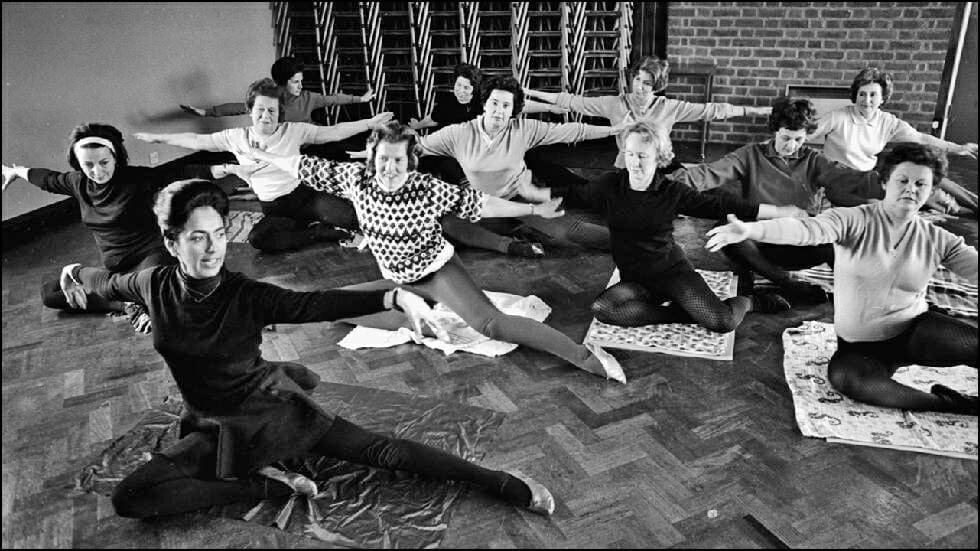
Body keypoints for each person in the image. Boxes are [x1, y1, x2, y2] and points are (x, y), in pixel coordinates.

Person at [64, 178, 557, 518]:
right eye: (198, 238)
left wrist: (391, 296)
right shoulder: (152, 283)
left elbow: (312, 303)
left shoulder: (246, 294)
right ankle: (265, 485)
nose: (213, 249)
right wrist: (73, 275)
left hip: (270, 409)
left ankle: (498, 481)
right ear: (172, 244)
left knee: (378, 450)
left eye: (218, 234)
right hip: (211, 423)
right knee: (130, 499)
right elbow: (106, 282)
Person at [250, 121, 627, 383]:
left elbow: (481, 204)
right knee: (334, 307)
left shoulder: (427, 189)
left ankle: (587, 358)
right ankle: (417, 319)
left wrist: (530, 208)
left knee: (490, 325)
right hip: (400, 283)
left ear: (410, 161)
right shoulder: (354, 179)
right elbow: (301, 165)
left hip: (439, 273)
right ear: (372, 158)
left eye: (399, 160)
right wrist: (260, 155)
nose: (390, 168)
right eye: (383, 159)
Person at [706, 143, 978, 415]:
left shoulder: (939, 239)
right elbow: (807, 229)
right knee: (847, 379)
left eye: (921, 184)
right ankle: (954, 404)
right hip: (861, 346)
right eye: (902, 180)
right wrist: (753, 230)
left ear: (932, 190)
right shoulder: (853, 220)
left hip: (915, 330)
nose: (911, 189)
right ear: (885, 182)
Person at [587, 122, 807, 332]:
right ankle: (680, 314)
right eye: (630, 154)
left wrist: (775, 211)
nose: (635, 163)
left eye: (642, 156)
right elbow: (577, 192)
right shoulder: (610, 185)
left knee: (723, 321)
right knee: (603, 308)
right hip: (635, 281)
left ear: (658, 157)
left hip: (672, 274)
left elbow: (719, 205)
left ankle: (752, 302)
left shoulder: (671, 191)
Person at [136, 78, 393, 253]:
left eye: (272, 111)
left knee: (357, 219)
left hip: (307, 198)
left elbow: (334, 131)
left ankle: (317, 226)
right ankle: (321, 232)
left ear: (279, 113)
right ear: (250, 110)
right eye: (260, 110)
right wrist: (159, 138)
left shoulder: (294, 131)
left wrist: (369, 123)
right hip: (275, 209)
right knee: (259, 239)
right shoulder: (236, 137)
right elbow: (196, 140)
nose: (265, 116)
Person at [1, 122, 213, 333]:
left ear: (115, 157)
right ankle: (128, 304)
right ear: (78, 164)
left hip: (150, 258)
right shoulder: (78, 183)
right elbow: (48, 179)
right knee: (51, 294)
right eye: (88, 165)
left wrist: (224, 169)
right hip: (116, 269)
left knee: (156, 286)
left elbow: (180, 172)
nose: (97, 171)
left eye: (104, 162)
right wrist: (16, 171)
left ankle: (139, 299)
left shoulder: (136, 178)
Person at [674, 97, 883, 306]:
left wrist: (888, 183)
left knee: (836, 234)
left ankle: (860, 291)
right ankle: (789, 284)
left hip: (801, 241)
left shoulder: (814, 159)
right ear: (775, 131)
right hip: (760, 245)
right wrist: (665, 182)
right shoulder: (750, 154)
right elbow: (709, 173)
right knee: (727, 230)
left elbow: (848, 178)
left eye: (798, 139)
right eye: (785, 138)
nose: (791, 146)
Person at [523, 55, 772, 207]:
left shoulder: (669, 107)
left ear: (657, 86)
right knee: (595, 197)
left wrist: (760, 111)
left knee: (707, 193)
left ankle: (756, 213)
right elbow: (572, 102)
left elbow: (714, 110)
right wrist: (528, 92)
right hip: (631, 165)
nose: (640, 87)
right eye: (637, 80)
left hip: (663, 165)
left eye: (647, 83)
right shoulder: (615, 104)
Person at [415, 76, 621, 254]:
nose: (499, 111)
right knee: (446, 223)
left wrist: (613, 130)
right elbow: (418, 148)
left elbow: (571, 131)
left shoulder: (523, 129)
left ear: (513, 110)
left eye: (506, 106)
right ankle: (514, 238)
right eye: (495, 103)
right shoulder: (458, 133)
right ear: (485, 104)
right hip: (484, 205)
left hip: (519, 197)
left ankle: (631, 242)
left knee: (571, 232)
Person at [408, 64, 571, 259]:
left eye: (467, 87)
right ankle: (515, 237)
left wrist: (549, 107)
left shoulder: (485, 103)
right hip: (459, 165)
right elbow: (433, 119)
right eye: (458, 86)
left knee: (538, 164)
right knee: (450, 218)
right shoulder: (447, 103)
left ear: (475, 90)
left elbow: (520, 104)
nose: (461, 91)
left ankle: (570, 192)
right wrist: (417, 126)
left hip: (490, 164)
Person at [810, 67, 978, 215]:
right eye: (862, 94)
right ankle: (954, 209)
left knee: (930, 176)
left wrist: (957, 148)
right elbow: (807, 132)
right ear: (855, 96)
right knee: (913, 188)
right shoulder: (838, 117)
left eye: (873, 95)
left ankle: (974, 205)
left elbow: (920, 138)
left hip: (869, 179)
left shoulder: (887, 121)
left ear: (883, 98)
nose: (866, 100)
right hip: (841, 181)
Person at [180, 55, 374, 122]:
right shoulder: (269, 99)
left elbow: (334, 99)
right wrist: (205, 112)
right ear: (283, 81)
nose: (301, 86)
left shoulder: (309, 98)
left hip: (309, 143)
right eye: (296, 82)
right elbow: (239, 107)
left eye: (301, 81)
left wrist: (361, 99)